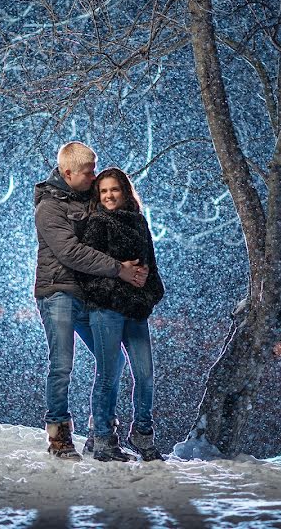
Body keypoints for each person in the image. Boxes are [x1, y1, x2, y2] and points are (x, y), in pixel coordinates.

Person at [34, 142, 149, 460]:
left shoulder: (89, 197)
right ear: (68, 173)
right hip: (57, 292)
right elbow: (71, 252)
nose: (94, 177)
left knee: (113, 361)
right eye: (88, 172)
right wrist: (119, 271)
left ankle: (101, 432)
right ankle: (59, 435)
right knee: (62, 365)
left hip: (86, 294)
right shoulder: (48, 208)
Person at [77, 167, 165, 462]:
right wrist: (121, 277)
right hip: (106, 308)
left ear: (125, 191)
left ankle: (142, 433)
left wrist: (148, 294)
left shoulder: (139, 222)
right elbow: (86, 271)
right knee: (107, 375)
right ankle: (102, 437)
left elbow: (151, 267)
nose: (109, 195)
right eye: (103, 191)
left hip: (135, 308)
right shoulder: (96, 223)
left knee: (145, 374)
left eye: (114, 189)